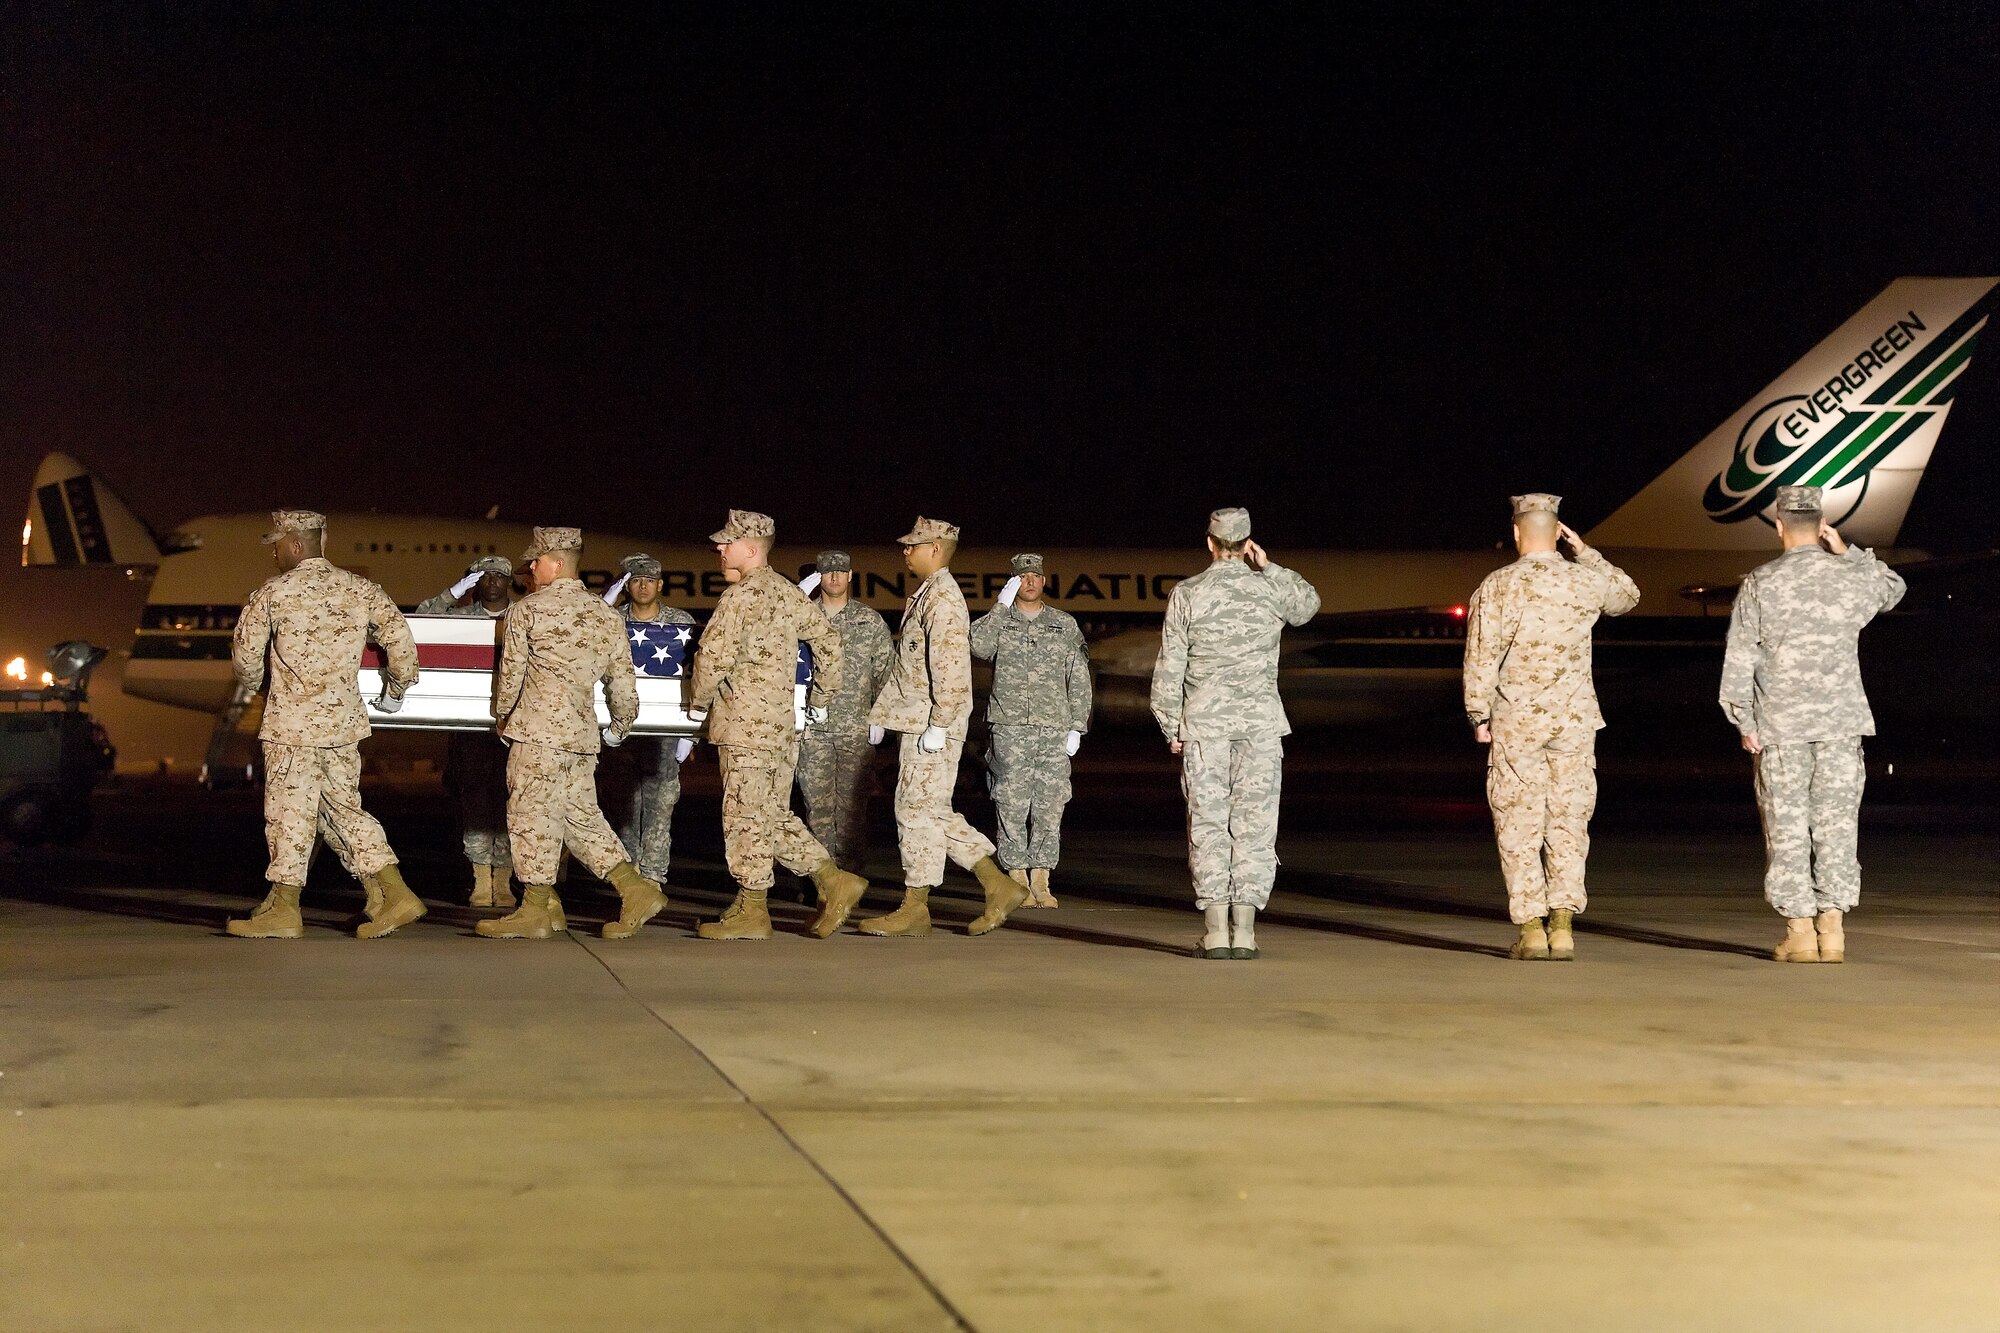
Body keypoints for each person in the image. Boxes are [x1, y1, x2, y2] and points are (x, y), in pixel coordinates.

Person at [1719, 484, 1906, 963]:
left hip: (1780, 725)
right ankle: (1834, 930)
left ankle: (1800, 933)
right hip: (1841, 724)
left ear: (1779, 525)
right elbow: (1892, 589)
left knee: (1786, 828)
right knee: (1837, 827)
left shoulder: (1761, 582)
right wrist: (1847, 551)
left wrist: (1744, 719)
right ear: (1821, 526)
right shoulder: (1848, 578)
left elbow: (1740, 658)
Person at [225, 510, 427, 939]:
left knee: (289, 815)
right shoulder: (361, 589)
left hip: (292, 726)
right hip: (342, 726)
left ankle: (284, 909)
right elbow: (403, 647)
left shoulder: (274, 593)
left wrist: (263, 688)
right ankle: (389, 893)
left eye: (278, 544)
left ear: (297, 544)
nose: (275, 553)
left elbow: (245, 661)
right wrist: (394, 692)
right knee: (342, 810)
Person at [1462, 494, 1639, 961]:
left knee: (1518, 820)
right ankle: (1563, 925)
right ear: (1558, 532)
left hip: (1517, 720)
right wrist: (1586, 553)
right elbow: (1627, 595)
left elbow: (1481, 656)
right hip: (1574, 720)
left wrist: (1479, 715)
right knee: (1568, 820)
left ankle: (1532, 929)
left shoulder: (1498, 586)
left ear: (1518, 533)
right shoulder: (1584, 581)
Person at [686, 511, 870, 940]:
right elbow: (828, 642)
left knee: (745, 817)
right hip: (782, 727)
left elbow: (712, 657)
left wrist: (697, 705)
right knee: (769, 814)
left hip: (745, 727)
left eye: (726, 542)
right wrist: (820, 699)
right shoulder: (790, 595)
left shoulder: (739, 598)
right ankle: (832, 879)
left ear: (750, 549)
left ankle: (754, 909)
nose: (719, 548)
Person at [478, 526, 667, 941]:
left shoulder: (527, 610)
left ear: (557, 563)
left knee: (530, 817)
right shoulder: (604, 614)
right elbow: (622, 683)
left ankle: (533, 910)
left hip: (538, 733)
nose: (530, 567)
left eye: (537, 560)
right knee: (579, 817)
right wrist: (620, 725)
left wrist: (503, 717)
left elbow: (510, 677)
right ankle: (634, 889)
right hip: (581, 739)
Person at [1150, 508, 1321, 960]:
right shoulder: (1269, 589)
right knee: (1256, 828)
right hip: (1261, 727)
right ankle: (1244, 933)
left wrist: (1172, 726)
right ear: (1248, 543)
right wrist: (1270, 567)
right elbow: (1308, 606)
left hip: (1205, 727)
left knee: (1208, 827)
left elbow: (1170, 668)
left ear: (1209, 542)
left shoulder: (1188, 594)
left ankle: (1215, 934)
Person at [861, 516, 1029, 937]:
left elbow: (951, 670)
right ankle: (994, 885)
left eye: (913, 545)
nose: (905, 550)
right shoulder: (927, 595)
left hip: (932, 723)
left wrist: (938, 724)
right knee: (923, 809)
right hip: (919, 719)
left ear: (935, 548)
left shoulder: (943, 600)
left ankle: (920, 904)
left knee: (916, 810)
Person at [970, 552, 1092, 907]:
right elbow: (978, 646)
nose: (1031, 581)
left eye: (1035, 575)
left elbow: (1079, 677)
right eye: (1023, 577)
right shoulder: (1000, 622)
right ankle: (1016, 878)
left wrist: (1077, 726)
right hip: (1009, 729)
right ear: (1013, 582)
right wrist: (999, 607)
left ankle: (1041, 877)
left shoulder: (1062, 623)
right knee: (1010, 802)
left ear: (1043, 580)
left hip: (1053, 728)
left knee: (1050, 804)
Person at [416, 554, 519, 908]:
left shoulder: (524, 614)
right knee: (475, 799)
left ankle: (503, 880)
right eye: (483, 576)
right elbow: (422, 619)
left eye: (498, 576)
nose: (491, 581)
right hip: (470, 726)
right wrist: (454, 591)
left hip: (514, 724)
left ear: (509, 582)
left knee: (511, 802)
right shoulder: (460, 616)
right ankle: (480, 878)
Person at [598, 553, 698, 890]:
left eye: (649, 580)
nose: (643, 586)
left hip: (665, 733)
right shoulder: (610, 620)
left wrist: (691, 734)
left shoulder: (680, 621)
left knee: (660, 807)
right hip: (620, 728)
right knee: (623, 806)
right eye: (635, 580)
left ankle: (653, 878)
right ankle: (631, 880)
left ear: (660, 584)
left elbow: (696, 676)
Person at [795, 550, 894, 874]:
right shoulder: (803, 618)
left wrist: (880, 715)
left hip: (855, 728)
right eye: (827, 572)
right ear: (819, 577)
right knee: (817, 809)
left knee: (853, 810)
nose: (835, 577)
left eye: (841, 571)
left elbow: (885, 672)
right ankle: (824, 880)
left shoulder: (869, 621)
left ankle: (851, 875)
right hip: (813, 729)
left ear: (851, 576)